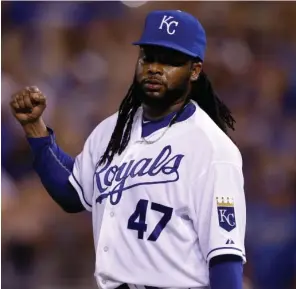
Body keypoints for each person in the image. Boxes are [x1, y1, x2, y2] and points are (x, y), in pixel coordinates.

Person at [10, 10, 246, 289]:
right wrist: (36, 130)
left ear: (194, 70)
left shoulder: (213, 150)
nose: (155, 69)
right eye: (149, 57)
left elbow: (225, 259)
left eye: (170, 61)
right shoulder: (112, 130)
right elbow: (72, 193)